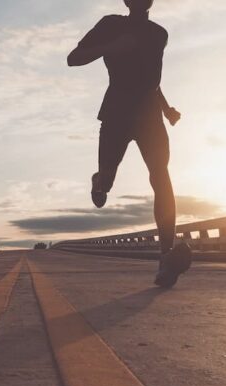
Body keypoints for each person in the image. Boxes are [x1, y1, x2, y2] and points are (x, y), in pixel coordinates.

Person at [67, 0, 191, 287]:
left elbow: (152, 81)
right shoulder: (111, 24)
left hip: (150, 117)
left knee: (161, 176)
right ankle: (99, 181)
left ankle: (166, 258)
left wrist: (166, 109)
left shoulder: (160, 34)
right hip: (117, 114)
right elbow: (73, 58)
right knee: (108, 180)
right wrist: (110, 47)